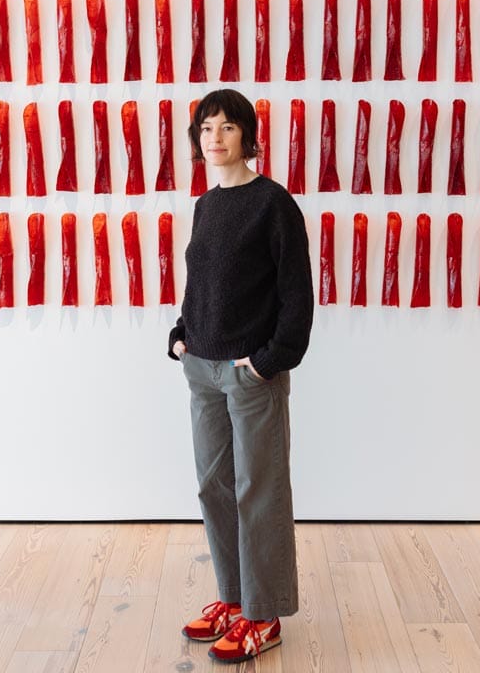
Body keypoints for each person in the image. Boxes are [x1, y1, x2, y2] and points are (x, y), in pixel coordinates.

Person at [167, 88, 314, 664]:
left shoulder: (272, 204)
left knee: (260, 490)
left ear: (247, 136)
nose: (215, 138)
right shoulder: (206, 205)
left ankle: (264, 613)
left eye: (227, 128)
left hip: (251, 372)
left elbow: (297, 294)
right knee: (214, 486)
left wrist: (273, 357)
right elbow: (202, 281)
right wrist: (181, 331)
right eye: (206, 129)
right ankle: (232, 598)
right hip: (201, 365)